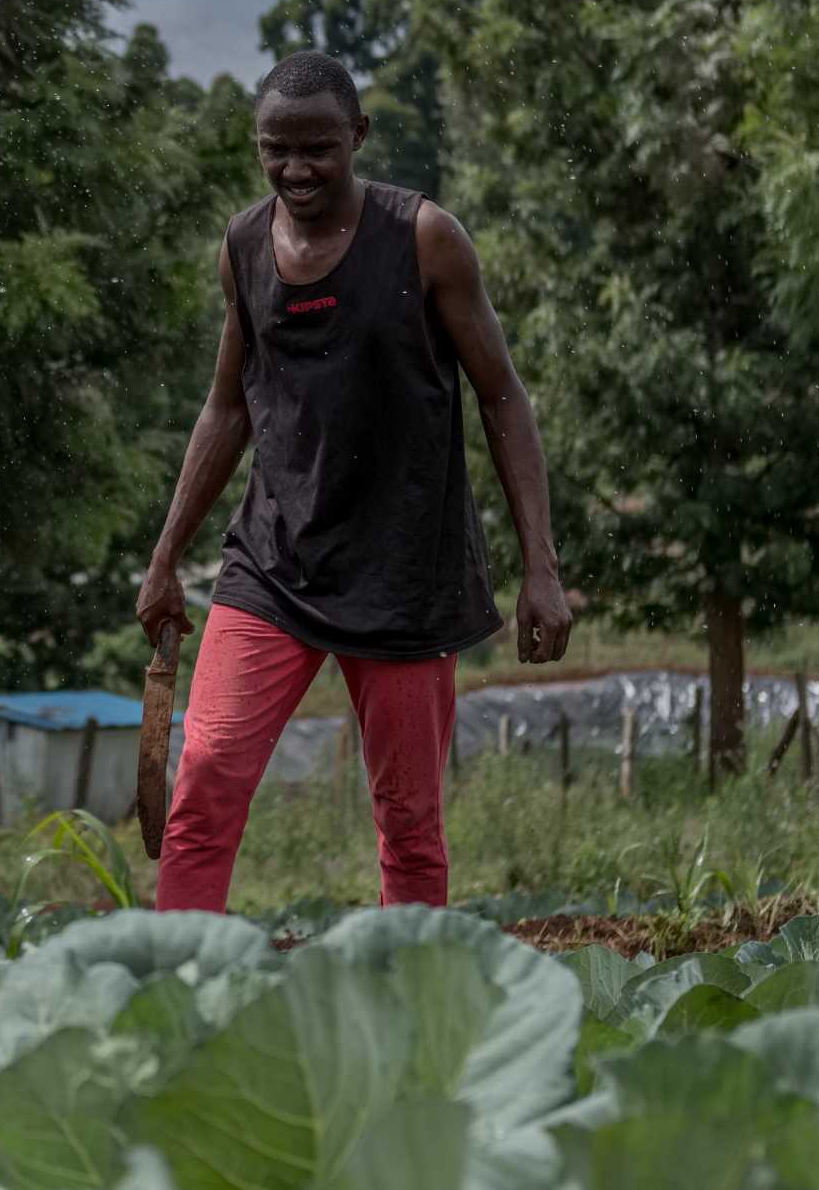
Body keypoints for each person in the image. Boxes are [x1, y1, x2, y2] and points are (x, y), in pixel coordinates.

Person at [134, 50, 574, 913]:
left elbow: (502, 396)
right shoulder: (244, 247)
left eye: (319, 149)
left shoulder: (423, 239)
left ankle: (406, 1014)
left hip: (405, 573)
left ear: (359, 137)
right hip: (273, 562)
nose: (296, 169)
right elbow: (227, 411)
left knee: (409, 825)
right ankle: (175, 997)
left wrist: (541, 565)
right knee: (207, 779)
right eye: (276, 149)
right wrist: (163, 557)